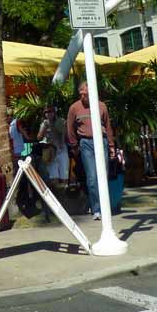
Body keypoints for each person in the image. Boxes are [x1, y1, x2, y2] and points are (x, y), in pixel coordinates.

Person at [66, 81, 115, 220]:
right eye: (80, 94)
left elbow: (108, 126)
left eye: (85, 94)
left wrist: (111, 146)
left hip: (102, 142)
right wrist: (74, 146)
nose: (83, 97)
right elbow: (70, 129)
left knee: (103, 177)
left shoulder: (101, 106)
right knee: (92, 178)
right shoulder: (74, 108)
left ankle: (105, 207)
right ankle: (96, 209)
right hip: (86, 143)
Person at [37, 105, 69, 184]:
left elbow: (66, 135)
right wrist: (44, 129)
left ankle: (64, 193)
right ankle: (57, 193)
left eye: (50, 111)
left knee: (64, 175)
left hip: (62, 150)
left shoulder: (61, 121)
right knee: (53, 176)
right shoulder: (44, 123)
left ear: (54, 113)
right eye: (46, 112)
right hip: (51, 152)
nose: (48, 113)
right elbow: (38, 138)